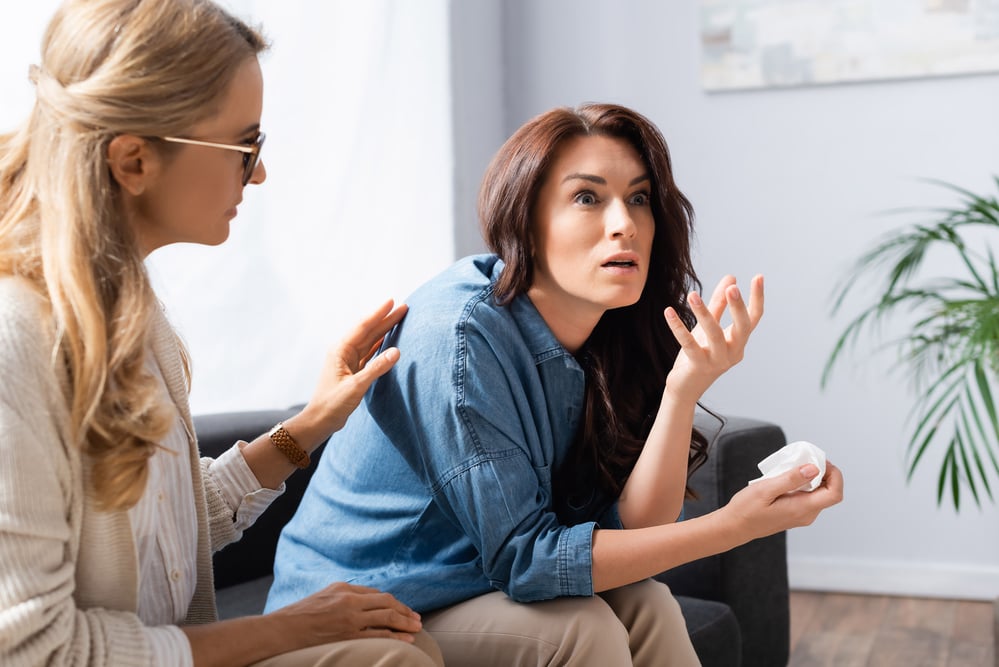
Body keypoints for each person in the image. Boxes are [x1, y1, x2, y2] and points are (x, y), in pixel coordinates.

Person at [266, 102, 845, 666]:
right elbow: (530, 561)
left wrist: (683, 388)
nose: (625, 224)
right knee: (582, 630)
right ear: (527, 219)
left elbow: (632, 527)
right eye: (587, 197)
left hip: (464, 587)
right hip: (357, 607)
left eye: (638, 198)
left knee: (647, 605)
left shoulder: (608, 327)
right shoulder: (461, 339)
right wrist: (732, 526)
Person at [0, 1, 445, 666]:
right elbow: (34, 648)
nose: (258, 172)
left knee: (395, 643)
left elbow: (161, 543)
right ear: (133, 161)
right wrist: (290, 627)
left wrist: (310, 425)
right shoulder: (18, 344)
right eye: (245, 146)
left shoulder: (129, 312)